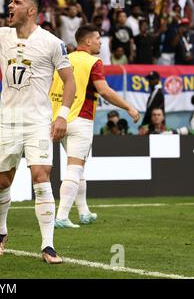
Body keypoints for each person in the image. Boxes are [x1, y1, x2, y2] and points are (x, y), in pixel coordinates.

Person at [0, 0, 77, 264]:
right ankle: (0, 232)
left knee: (41, 175)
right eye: (10, 2)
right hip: (9, 120)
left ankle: (48, 245)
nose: (10, 6)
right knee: (2, 181)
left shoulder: (52, 43)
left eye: (16, 3)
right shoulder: (1, 35)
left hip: (38, 120)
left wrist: (62, 116)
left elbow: (69, 81)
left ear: (31, 10)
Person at [50, 25, 140, 229]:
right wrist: (129, 107)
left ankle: (84, 212)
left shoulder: (65, 59)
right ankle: (62, 216)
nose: (101, 42)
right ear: (88, 41)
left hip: (60, 119)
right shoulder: (93, 62)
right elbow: (104, 90)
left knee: (78, 169)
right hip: (81, 119)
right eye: (98, 38)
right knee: (74, 168)